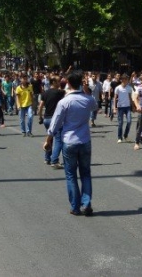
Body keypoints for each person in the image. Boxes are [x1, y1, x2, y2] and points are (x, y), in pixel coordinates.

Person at [43, 71, 98, 216]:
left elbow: (55, 123)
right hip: (85, 140)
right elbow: (95, 106)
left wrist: (48, 139)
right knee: (85, 173)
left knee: (71, 175)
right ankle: (86, 203)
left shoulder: (64, 102)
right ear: (81, 83)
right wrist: (86, 91)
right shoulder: (87, 99)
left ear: (68, 84)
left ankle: (75, 207)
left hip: (69, 141)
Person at [38, 76, 65, 169]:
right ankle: (55, 160)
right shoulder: (60, 92)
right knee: (58, 140)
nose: (60, 83)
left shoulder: (45, 93)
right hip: (55, 119)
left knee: (49, 138)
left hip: (46, 119)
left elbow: (40, 106)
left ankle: (47, 158)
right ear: (53, 82)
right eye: (58, 81)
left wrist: (40, 117)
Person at [114, 74, 133, 143]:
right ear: (121, 80)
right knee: (120, 123)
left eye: (127, 79)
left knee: (129, 121)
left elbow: (130, 97)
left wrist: (133, 106)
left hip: (127, 107)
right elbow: (115, 98)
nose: (125, 81)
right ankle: (119, 137)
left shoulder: (129, 88)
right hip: (120, 107)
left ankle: (125, 135)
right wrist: (114, 107)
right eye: (124, 79)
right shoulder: (118, 88)